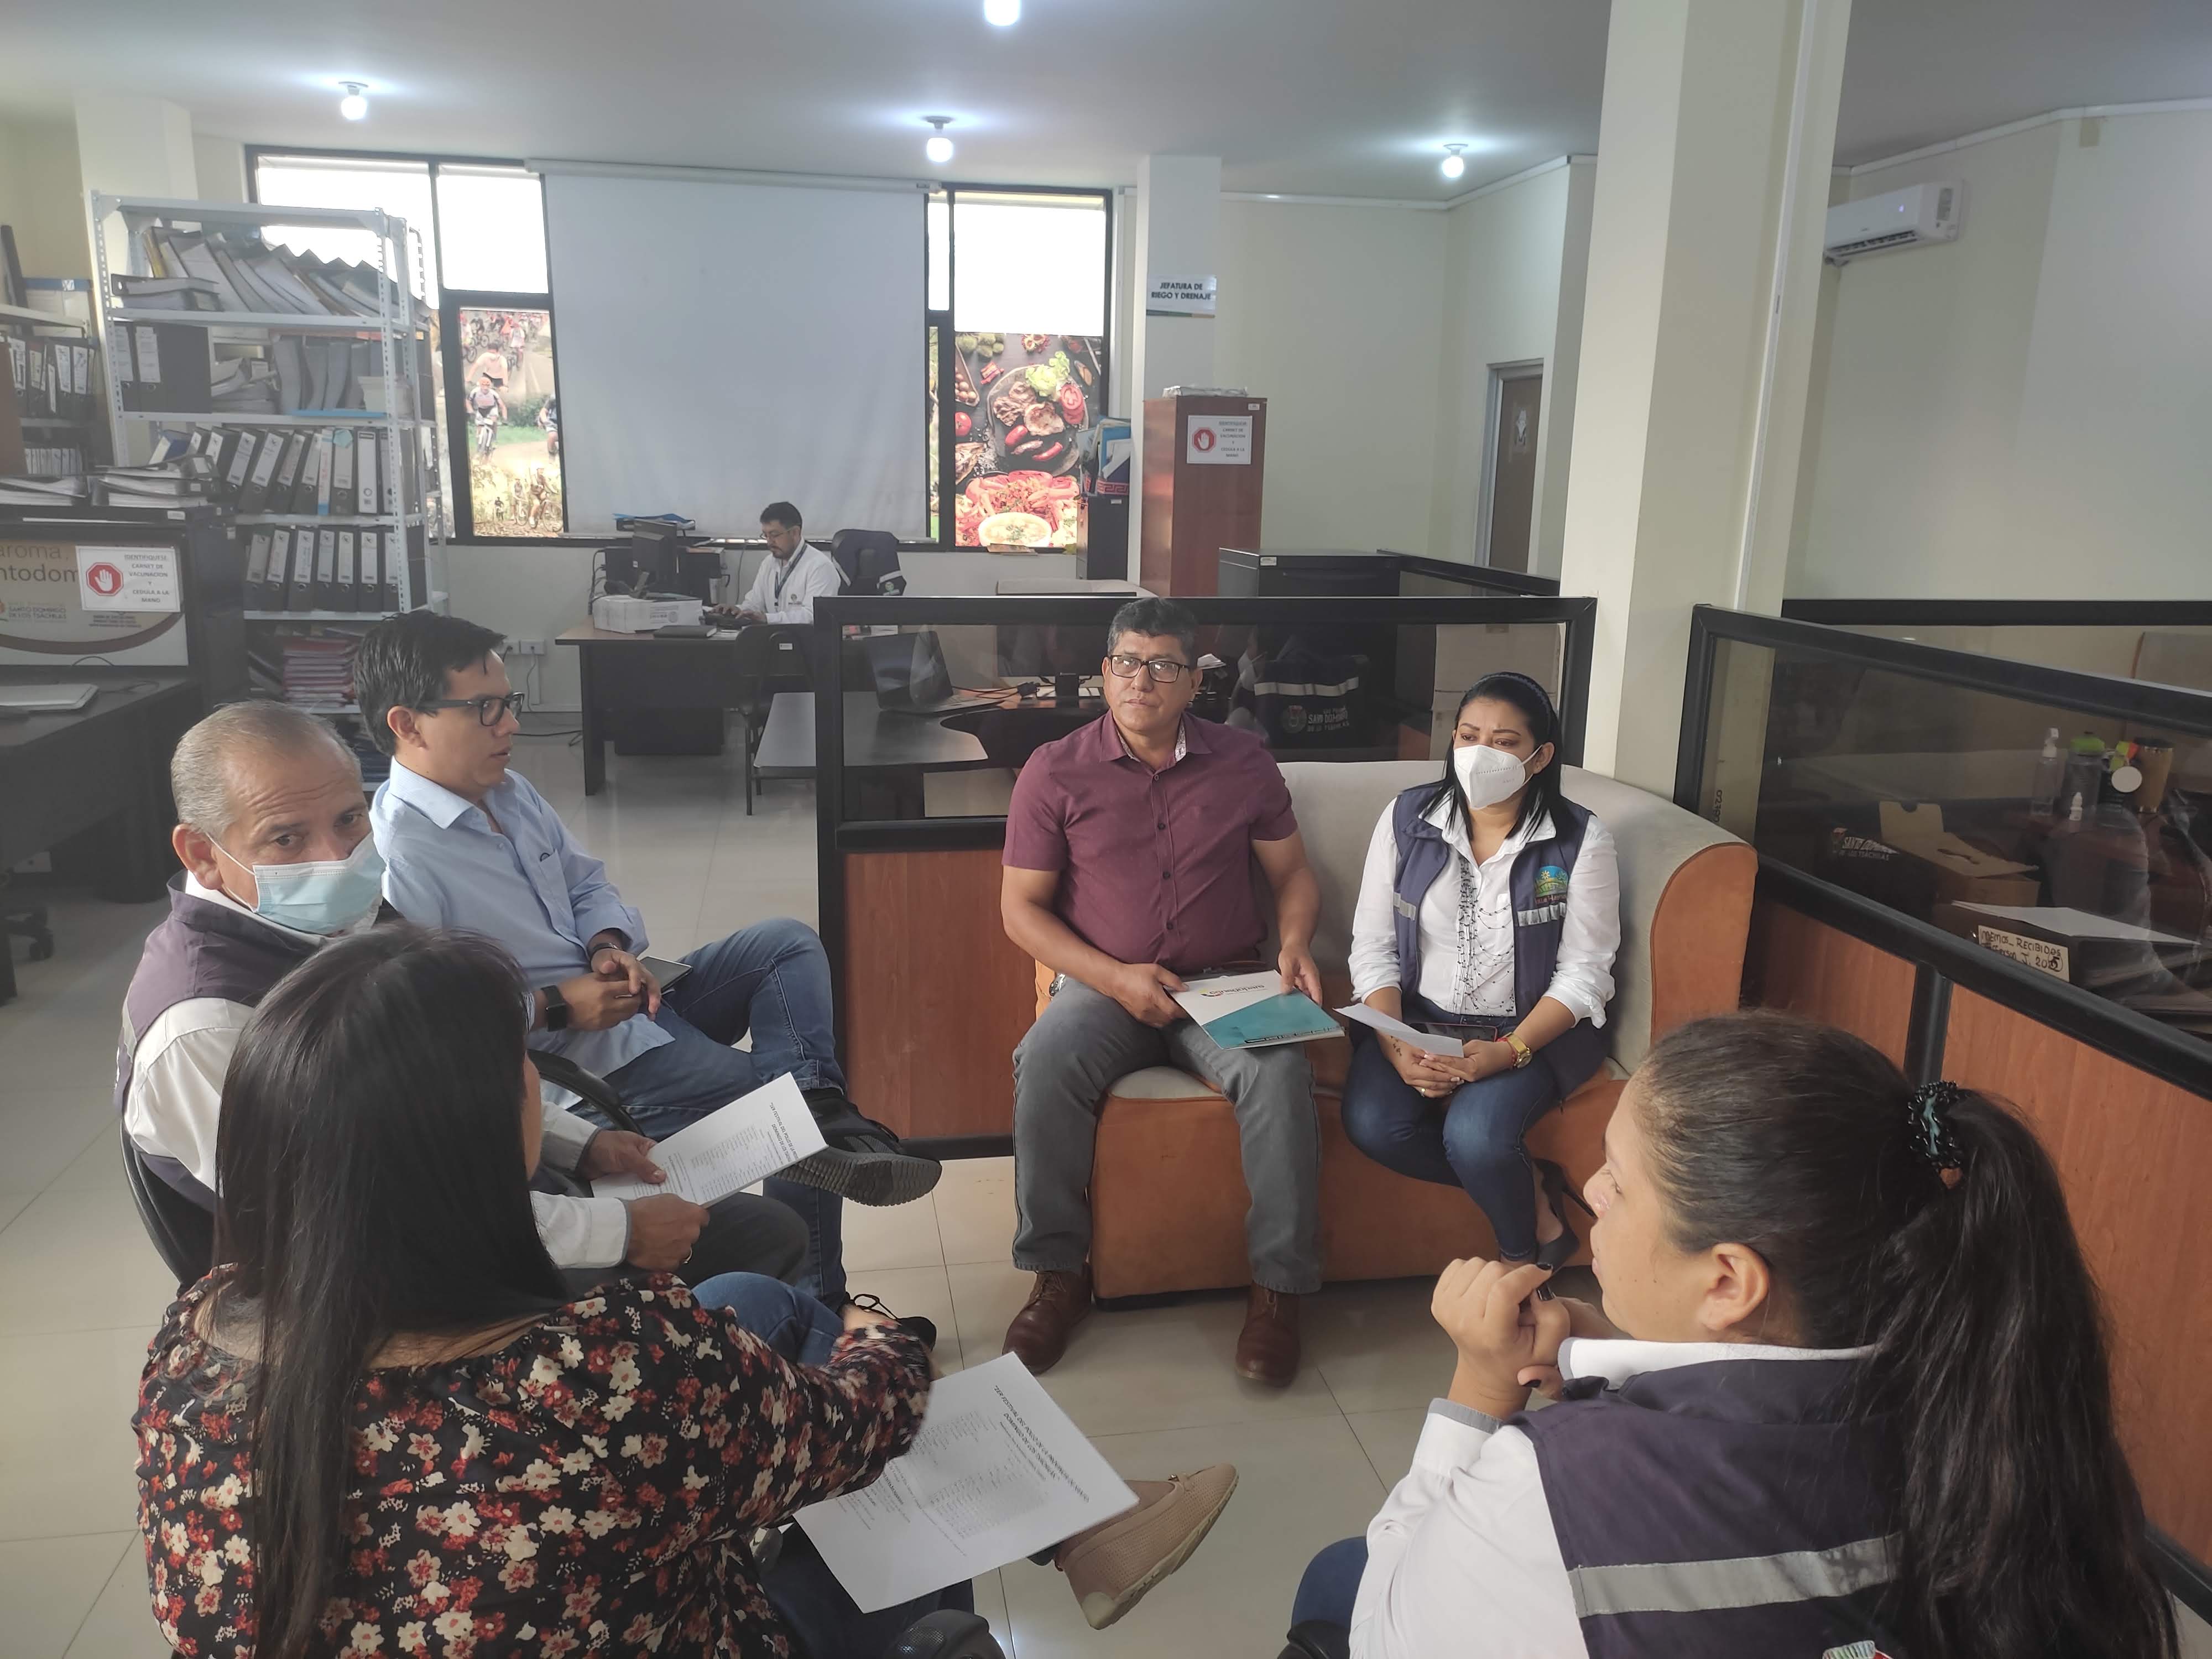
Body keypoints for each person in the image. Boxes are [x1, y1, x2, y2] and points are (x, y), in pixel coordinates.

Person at [134, 926, 1239, 1656]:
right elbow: (861, 1424)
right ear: (471, 1137)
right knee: (877, 1445)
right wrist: (883, 1337)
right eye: (521, 1071)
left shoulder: (193, 1342)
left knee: (760, 1297)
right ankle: (1077, 1516)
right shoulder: (599, 1368)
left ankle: (1086, 1520)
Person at [1287, 1013, 2179, 1659]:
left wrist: (1480, 1390)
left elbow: (1384, 1635)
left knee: (1344, 1573)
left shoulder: (1549, 1484)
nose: (1590, 1191)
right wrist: (1628, 1369)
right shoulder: (1999, 1406)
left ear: (1728, 1282)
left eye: (1620, 1180)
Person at [355, 611, 940, 1311]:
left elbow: (585, 884)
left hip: (628, 1003)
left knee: (786, 944)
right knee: (773, 1111)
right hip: (579, 1063)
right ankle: (821, 1296)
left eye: (508, 702)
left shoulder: (508, 792)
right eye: (485, 709)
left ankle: (819, 1108)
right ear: (408, 724)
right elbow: (432, 1030)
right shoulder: (401, 858)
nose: (510, 724)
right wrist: (558, 1005)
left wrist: (606, 947)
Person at [118, 701, 805, 1289]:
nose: (335, 857)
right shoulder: (204, 1028)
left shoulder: (347, 919)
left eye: (350, 820)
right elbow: (369, 1221)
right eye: (286, 838)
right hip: (390, 1289)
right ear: (202, 854)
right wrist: (618, 1231)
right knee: (747, 1271)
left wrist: (580, 1146)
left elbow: (452, 1074)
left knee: (761, 1230)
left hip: (470, 1187)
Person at [999, 596, 1326, 1386]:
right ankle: (1058, 1274)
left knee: (1280, 1073)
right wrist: (1114, 977)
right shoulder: (1055, 769)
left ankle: (1279, 1291)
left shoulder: (1244, 762)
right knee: (1044, 1060)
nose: (1141, 680)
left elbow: (1292, 876)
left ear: (1193, 681)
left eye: (1162, 666)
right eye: (1126, 662)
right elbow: (1021, 911)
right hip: (1105, 984)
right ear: (1104, 671)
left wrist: (1293, 945)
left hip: (1225, 981)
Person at [1339, 672, 1619, 1267]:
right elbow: (1373, 946)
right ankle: (1536, 1191)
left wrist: (1508, 1053)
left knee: (1476, 1139)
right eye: (1468, 736)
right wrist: (1397, 1044)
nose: (1479, 754)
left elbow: (1585, 973)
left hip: (1528, 1030)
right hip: (1419, 1020)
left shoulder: (1578, 839)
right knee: (1375, 1126)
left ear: (1540, 757)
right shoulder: (1407, 818)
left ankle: (1520, 1263)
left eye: (1505, 742)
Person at [733, 500, 844, 625]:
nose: (769, 542)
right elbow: (755, 603)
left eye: (774, 535)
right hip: (773, 634)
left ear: (795, 533)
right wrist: (738, 611)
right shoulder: (769, 563)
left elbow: (813, 615)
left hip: (804, 637)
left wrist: (768, 619)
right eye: (766, 535)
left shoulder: (820, 567)